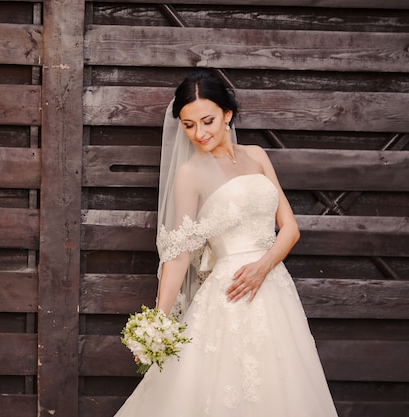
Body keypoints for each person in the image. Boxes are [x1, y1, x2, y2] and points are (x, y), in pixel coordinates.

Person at [114, 70, 338, 416]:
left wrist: (263, 267)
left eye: (207, 121)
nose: (199, 133)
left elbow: (290, 228)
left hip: (273, 286)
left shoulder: (257, 155)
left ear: (227, 115)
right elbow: (178, 254)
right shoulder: (190, 173)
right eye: (189, 125)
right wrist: (158, 322)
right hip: (229, 292)